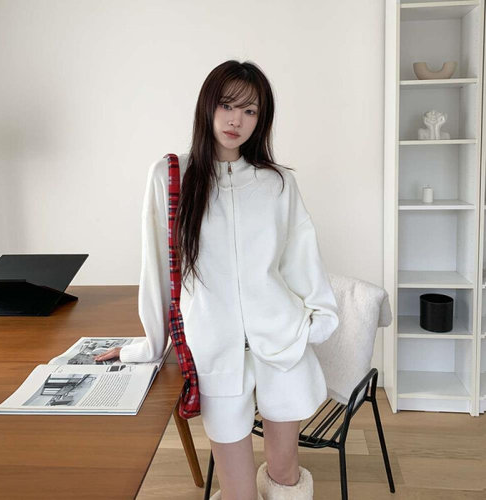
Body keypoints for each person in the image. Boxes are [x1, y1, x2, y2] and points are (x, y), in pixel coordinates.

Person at [94, 60, 339, 500]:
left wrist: (317, 322)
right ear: (207, 106)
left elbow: (302, 260)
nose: (235, 120)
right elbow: (158, 271)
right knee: (238, 492)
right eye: (227, 105)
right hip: (214, 352)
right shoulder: (171, 176)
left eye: (250, 111)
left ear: (261, 119)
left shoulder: (277, 183)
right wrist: (148, 346)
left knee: (285, 475)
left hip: (282, 344)